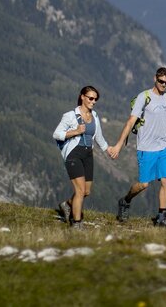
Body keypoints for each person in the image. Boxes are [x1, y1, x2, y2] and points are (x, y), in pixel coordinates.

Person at [108, 67, 166, 227]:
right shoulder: (144, 97)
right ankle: (125, 200)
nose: (163, 85)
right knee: (143, 185)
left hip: (164, 146)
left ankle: (161, 217)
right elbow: (131, 122)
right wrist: (118, 145)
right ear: (155, 79)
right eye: (161, 81)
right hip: (146, 148)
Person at [53, 85, 110, 229]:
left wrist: (108, 149)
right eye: (91, 98)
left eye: (96, 99)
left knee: (86, 191)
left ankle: (67, 205)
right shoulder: (70, 115)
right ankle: (76, 224)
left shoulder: (94, 115)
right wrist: (76, 131)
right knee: (79, 190)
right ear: (82, 97)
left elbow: (99, 137)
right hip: (74, 154)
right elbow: (57, 134)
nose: (93, 101)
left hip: (88, 155)